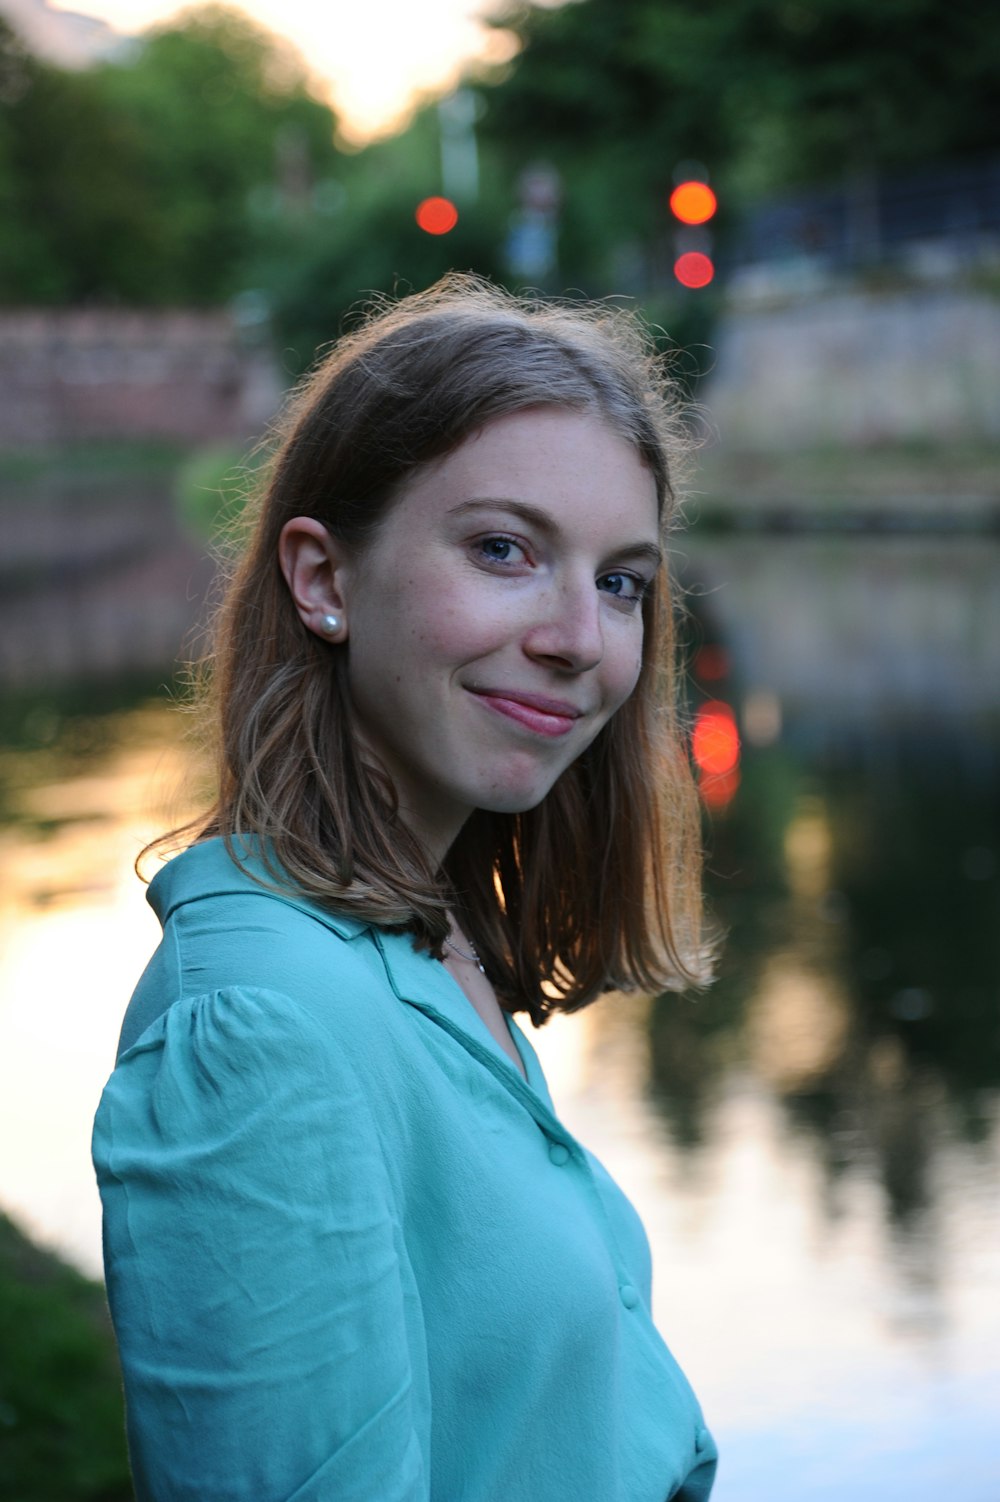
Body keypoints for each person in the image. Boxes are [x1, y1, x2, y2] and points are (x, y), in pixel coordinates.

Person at [93, 274, 718, 1501]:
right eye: (503, 548)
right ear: (324, 579)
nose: (580, 637)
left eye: (620, 580)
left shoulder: (427, 944)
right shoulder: (263, 1032)